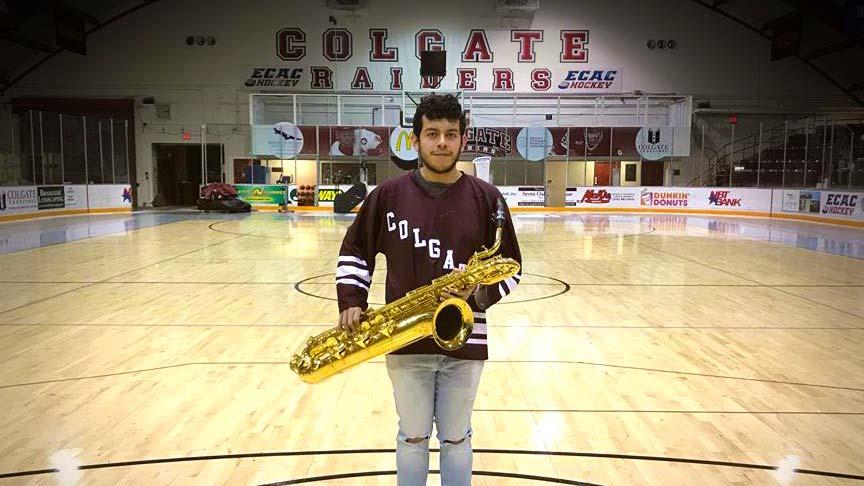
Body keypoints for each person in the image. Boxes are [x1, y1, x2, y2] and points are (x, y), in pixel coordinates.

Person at [334, 94, 522, 486]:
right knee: (412, 436)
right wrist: (352, 300)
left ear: (462, 138)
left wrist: (473, 295)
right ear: (416, 140)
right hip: (405, 340)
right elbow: (355, 249)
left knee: (457, 438)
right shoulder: (387, 195)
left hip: (466, 341)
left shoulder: (488, 199)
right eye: (432, 133)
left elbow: (511, 268)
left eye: (450, 134)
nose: (441, 143)